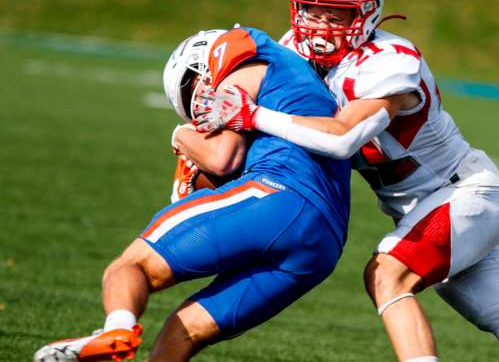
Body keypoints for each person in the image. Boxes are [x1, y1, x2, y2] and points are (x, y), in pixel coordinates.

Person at [193, 0, 499, 362]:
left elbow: (342, 138)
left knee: (387, 275)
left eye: (336, 16)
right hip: (426, 215)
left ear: (368, 15)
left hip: (464, 196)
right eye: (311, 11)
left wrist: (255, 115)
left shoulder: (388, 62)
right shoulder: (291, 54)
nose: (320, 27)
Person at [34, 26, 350, 362]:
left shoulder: (241, 55)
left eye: (190, 94)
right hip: (322, 244)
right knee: (183, 331)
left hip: (274, 198)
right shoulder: (300, 84)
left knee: (130, 267)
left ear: (201, 65)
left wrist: (181, 135)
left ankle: (118, 329)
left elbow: (222, 157)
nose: (199, 114)